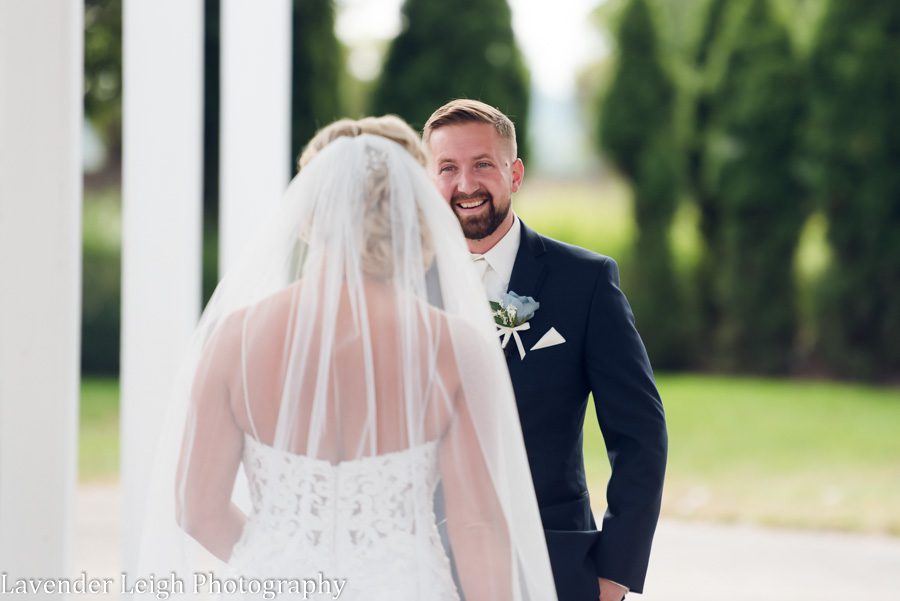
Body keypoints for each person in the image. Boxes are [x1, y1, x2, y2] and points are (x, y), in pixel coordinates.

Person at [136, 116, 557, 601]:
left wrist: (282, 559)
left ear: (311, 211)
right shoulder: (456, 349)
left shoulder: (235, 338)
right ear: (412, 210)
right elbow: (477, 524)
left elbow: (196, 507)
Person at [423, 99, 668, 601]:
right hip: (428, 566)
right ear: (429, 181)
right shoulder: (402, 286)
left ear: (514, 174)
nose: (466, 185)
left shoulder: (586, 282)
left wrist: (614, 573)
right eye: (448, 168)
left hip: (554, 565)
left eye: (483, 165)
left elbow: (640, 435)